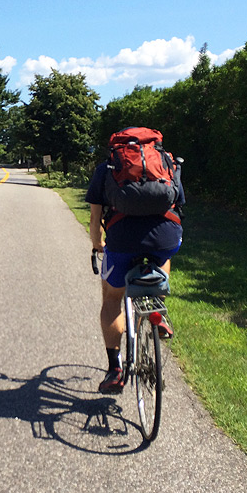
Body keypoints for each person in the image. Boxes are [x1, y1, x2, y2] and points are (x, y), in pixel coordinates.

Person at [84, 134, 185, 394]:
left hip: (122, 240)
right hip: (166, 236)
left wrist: (97, 244)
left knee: (111, 299)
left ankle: (115, 369)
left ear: (117, 146)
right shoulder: (168, 163)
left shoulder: (107, 167)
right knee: (165, 251)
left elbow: (95, 219)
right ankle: (157, 307)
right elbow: (179, 205)